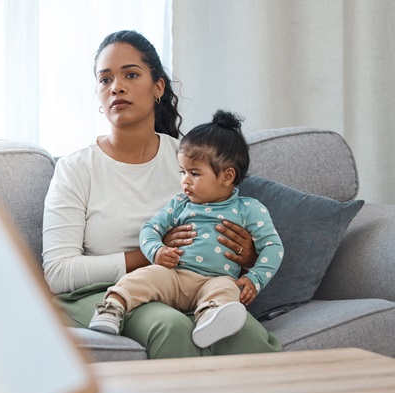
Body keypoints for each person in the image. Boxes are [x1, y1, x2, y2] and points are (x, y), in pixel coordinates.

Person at [42, 29, 282, 358]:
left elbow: (222, 228)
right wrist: (150, 254)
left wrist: (248, 257)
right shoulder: (76, 168)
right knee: (172, 327)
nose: (117, 87)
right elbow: (58, 272)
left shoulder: (188, 160)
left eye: (130, 74)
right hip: (100, 294)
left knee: (246, 333)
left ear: (158, 87)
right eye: (105, 79)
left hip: (187, 285)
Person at [88, 110, 284, 348]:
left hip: (215, 280)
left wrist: (255, 279)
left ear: (227, 176)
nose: (185, 181)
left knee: (227, 290)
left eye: (194, 173)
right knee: (144, 276)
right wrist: (156, 251)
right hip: (175, 277)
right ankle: (112, 308)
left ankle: (209, 320)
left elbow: (273, 247)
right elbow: (150, 229)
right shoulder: (179, 204)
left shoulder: (249, 209)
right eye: (182, 172)